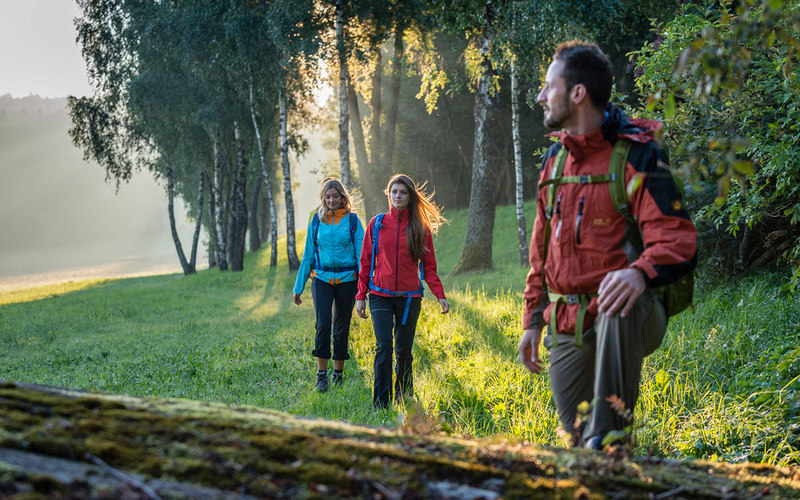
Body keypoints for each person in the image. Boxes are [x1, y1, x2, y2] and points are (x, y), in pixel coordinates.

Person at [518, 41, 697, 449]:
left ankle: (610, 438)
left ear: (577, 93)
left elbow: (678, 238)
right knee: (577, 443)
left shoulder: (639, 154)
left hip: (633, 312)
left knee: (604, 440)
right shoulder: (553, 162)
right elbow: (540, 251)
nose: (541, 96)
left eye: (549, 86)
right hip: (568, 319)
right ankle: (597, 449)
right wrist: (533, 319)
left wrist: (639, 273)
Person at [355, 174, 450, 409]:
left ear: (410, 196)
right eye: (394, 192)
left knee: (404, 351)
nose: (398, 196)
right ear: (388, 194)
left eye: (403, 192)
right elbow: (365, 261)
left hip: (409, 299)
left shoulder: (420, 228)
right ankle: (381, 403)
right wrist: (360, 296)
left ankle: (404, 397)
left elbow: (429, 268)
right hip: (379, 296)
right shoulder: (377, 224)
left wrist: (440, 295)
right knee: (384, 347)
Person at [293, 177, 364, 392]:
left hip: (347, 281)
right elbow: (307, 257)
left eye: (335, 196)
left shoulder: (352, 221)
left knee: (341, 328)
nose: (332, 200)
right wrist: (298, 287)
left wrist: (363, 288)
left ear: (343, 197)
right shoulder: (316, 221)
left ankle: (338, 374)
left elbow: (362, 256)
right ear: (323, 199)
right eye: (328, 197)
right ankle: (321, 375)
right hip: (321, 279)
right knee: (323, 324)